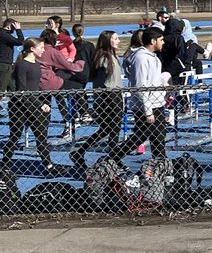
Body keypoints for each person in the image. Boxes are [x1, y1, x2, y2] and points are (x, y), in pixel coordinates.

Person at [109, 27, 167, 165]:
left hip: (156, 103)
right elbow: (141, 85)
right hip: (146, 106)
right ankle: (112, 159)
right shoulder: (141, 58)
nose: (163, 42)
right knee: (141, 136)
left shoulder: (153, 57)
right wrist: (148, 111)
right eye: (161, 39)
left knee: (157, 137)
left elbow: (153, 80)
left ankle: (161, 164)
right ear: (153, 41)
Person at [70, 31, 125, 172]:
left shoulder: (111, 56)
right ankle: (114, 159)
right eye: (115, 38)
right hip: (109, 97)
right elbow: (101, 79)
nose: (118, 41)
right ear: (107, 41)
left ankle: (81, 152)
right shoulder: (103, 57)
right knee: (112, 130)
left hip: (114, 94)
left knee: (109, 129)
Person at [2, 38, 57, 176]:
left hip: (33, 104)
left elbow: (35, 87)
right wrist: (40, 104)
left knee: (41, 137)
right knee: (15, 136)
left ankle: (49, 166)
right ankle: (5, 164)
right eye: (41, 48)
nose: (43, 50)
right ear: (32, 49)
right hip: (19, 106)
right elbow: (22, 91)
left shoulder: (37, 64)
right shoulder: (22, 65)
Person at [0, 18, 23, 97]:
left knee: (12, 87)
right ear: (9, 26)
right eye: (13, 28)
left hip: (1, 63)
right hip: (4, 64)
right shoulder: (3, 35)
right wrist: (18, 30)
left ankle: (15, 104)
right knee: (0, 90)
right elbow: (20, 41)